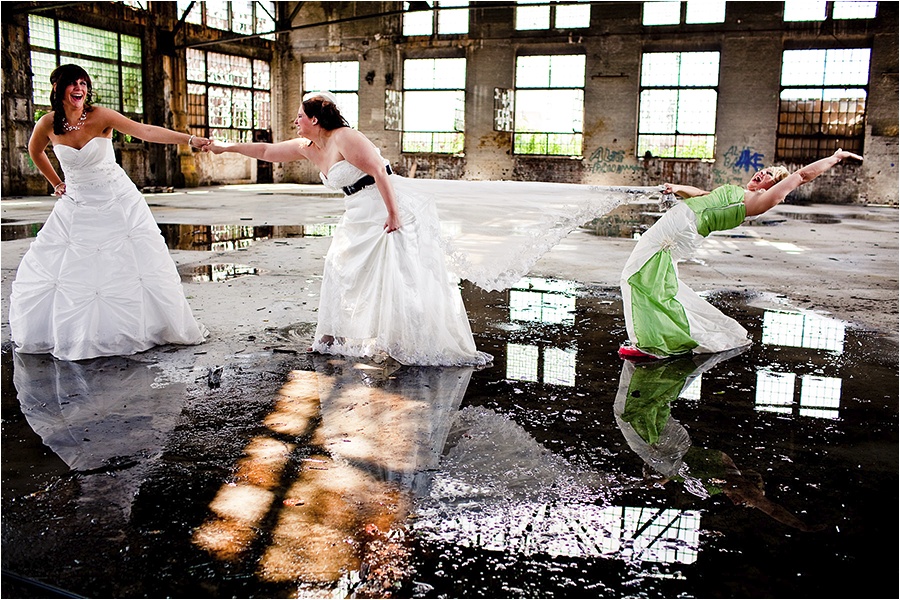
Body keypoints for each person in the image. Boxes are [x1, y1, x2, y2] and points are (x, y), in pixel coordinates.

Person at [204, 91, 493, 367]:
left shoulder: (345, 137)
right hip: (356, 210)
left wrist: (393, 214)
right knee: (337, 265)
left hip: (383, 205)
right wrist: (225, 147)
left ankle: (403, 339)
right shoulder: (309, 148)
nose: (296, 122)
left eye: (300, 116)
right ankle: (331, 337)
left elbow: (379, 171)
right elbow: (266, 150)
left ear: (315, 119)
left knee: (395, 272)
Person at [8, 63, 209, 361]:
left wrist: (188, 139)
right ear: (57, 88)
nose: (79, 89)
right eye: (72, 83)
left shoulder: (100, 115)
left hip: (117, 200)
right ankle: (81, 333)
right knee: (72, 270)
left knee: (129, 268)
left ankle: (137, 328)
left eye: (83, 83)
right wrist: (57, 182)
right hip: (76, 203)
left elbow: (145, 131)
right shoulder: (48, 123)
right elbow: (35, 151)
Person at [619, 149, 863, 360]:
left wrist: (834, 158)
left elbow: (800, 176)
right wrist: (678, 188)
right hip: (680, 222)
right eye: (764, 170)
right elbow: (704, 196)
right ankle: (655, 339)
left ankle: (652, 343)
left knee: (636, 275)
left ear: (774, 185)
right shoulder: (739, 192)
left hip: (680, 230)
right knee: (649, 279)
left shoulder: (762, 201)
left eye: (770, 175)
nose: (762, 173)